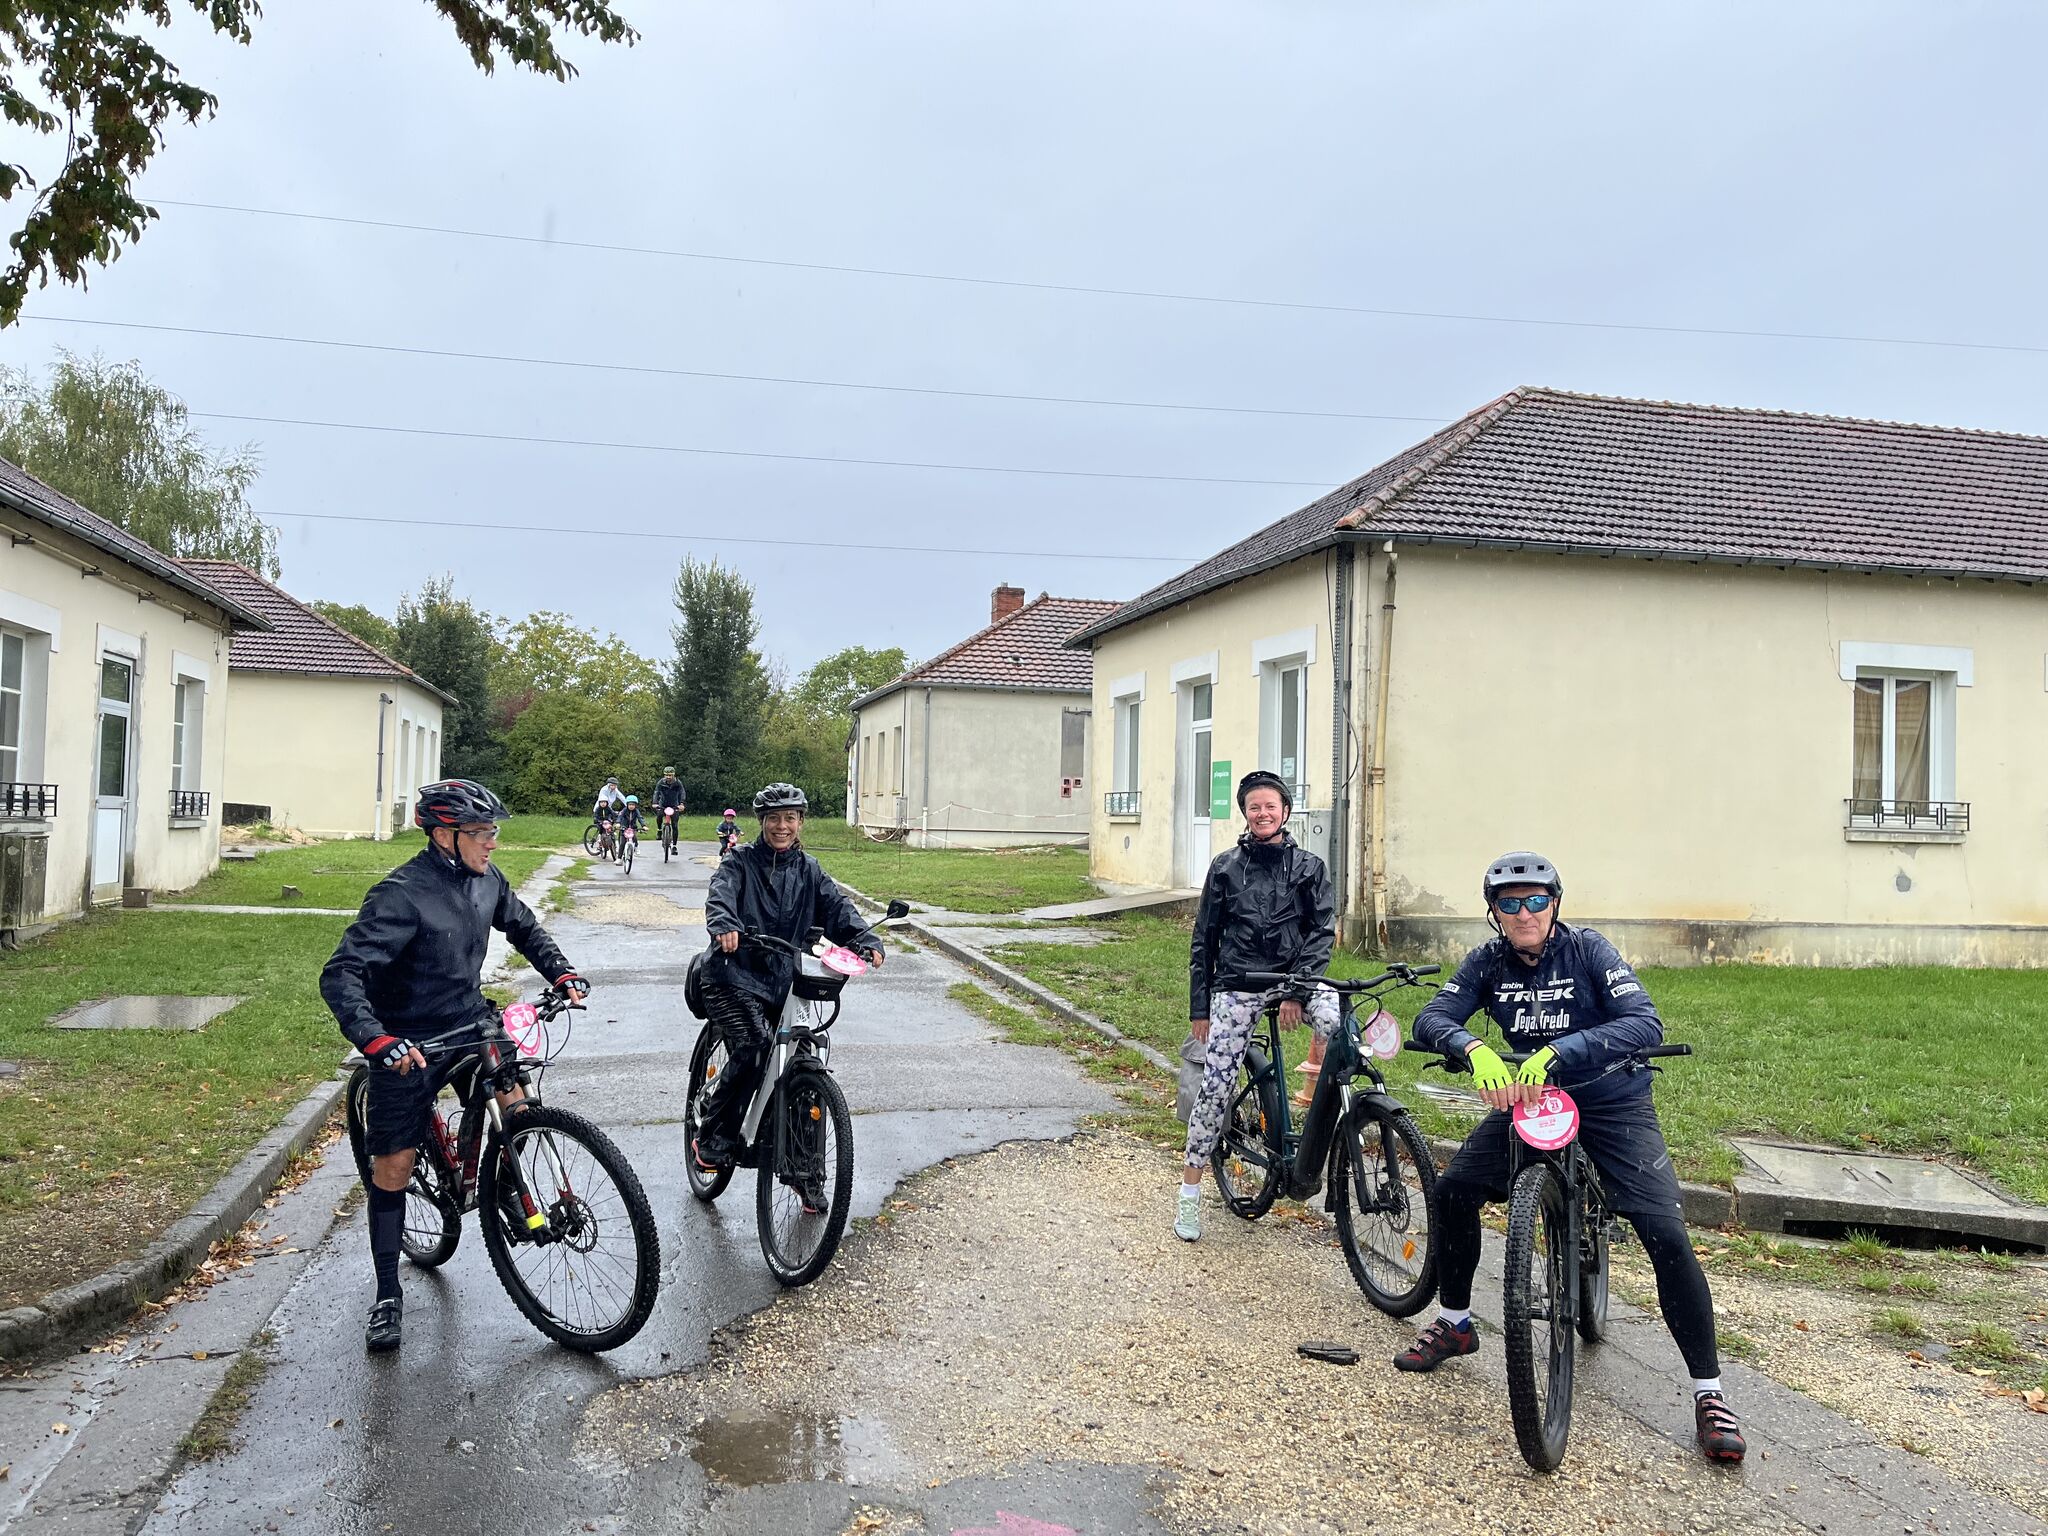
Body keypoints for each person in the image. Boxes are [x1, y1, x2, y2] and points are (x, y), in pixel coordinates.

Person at [1401, 851, 1744, 1465]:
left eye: (1536, 900)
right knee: (1453, 1192)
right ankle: (1456, 1322)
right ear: (1495, 913)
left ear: (1555, 904)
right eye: (1511, 903)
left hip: (1613, 1097)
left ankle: (1709, 1392)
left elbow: (1643, 1021)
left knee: (1663, 1228)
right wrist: (1471, 1047)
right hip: (1532, 1099)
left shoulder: (1589, 951)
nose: (1525, 912)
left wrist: (1563, 1050)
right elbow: (1431, 1016)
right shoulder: (1488, 962)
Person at [320, 779, 588, 1354]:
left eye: (494, 832)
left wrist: (560, 972)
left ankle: (514, 1196)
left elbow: (523, 926)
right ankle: (388, 1294)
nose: (492, 843)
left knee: (518, 1105)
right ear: (444, 834)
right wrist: (376, 1040)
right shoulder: (400, 894)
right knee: (393, 1165)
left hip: (470, 1021)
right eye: (481, 833)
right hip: (409, 1037)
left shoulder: (486, 879)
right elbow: (341, 974)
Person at [692, 783, 883, 1198]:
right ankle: (712, 1136)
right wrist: (725, 924)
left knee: (802, 1057)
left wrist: (865, 941)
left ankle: (803, 1170)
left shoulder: (809, 869)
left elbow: (838, 909)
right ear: (761, 822)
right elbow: (719, 894)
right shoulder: (740, 862)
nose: (782, 826)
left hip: (784, 978)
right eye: (774, 818)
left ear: (800, 822)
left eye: (790, 818)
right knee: (754, 1045)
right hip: (732, 975)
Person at [1176, 770, 1336, 1243]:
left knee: (1337, 1020)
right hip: (1238, 983)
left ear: (1285, 811)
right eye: (1254, 807)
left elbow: (1322, 931)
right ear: (1245, 814)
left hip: (1295, 980)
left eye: (1271, 806)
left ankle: (1334, 1121)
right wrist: (1200, 1006)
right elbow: (1204, 938)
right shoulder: (1225, 867)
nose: (1263, 814)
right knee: (1217, 1083)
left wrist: (1296, 989)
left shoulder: (1310, 867)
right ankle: (1189, 1191)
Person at [652, 767, 686, 842]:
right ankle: (659, 830)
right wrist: (655, 803)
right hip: (663, 804)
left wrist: (682, 804)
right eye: (666, 775)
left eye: (670, 775)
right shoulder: (661, 782)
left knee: (674, 825)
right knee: (659, 816)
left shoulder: (678, 783)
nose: (668, 777)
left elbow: (682, 792)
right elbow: (656, 792)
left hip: (674, 805)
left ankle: (674, 845)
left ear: (673, 775)